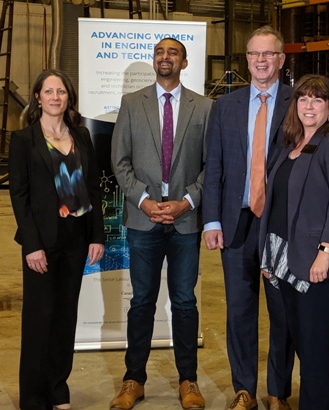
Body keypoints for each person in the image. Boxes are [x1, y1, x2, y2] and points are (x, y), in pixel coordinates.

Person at [109, 38, 213, 410]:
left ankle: (188, 380)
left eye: (172, 53)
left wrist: (187, 201)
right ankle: (133, 380)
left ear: (184, 63)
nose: (164, 57)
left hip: (185, 222)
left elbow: (210, 166)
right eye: (159, 52)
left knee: (185, 303)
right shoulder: (131, 104)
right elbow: (119, 162)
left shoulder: (204, 107)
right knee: (141, 302)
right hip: (143, 219)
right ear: (154, 60)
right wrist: (145, 201)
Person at [202, 26, 295, 410]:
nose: (260, 60)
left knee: (282, 312)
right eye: (254, 54)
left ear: (281, 59)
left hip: (281, 226)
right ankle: (244, 389)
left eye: (268, 54)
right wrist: (211, 221)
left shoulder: (298, 102)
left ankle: (277, 392)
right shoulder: (226, 106)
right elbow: (215, 167)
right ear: (247, 59)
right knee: (239, 311)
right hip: (236, 223)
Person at [259, 74, 329, 410]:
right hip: (287, 260)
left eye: (318, 99)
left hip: (321, 264)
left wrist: (326, 251)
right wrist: (269, 256)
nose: (309, 105)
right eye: (303, 98)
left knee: (316, 355)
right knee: (305, 347)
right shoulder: (292, 143)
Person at [9, 69, 105, 410]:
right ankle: (34, 397)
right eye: (48, 91)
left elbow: (93, 188)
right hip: (42, 242)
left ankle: (57, 389)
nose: (54, 97)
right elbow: (18, 195)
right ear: (37, 97)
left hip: (77, 240)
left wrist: (97, 235)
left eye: (60, 91)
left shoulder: (81, 136)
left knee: (65, 317)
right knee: (39, 318)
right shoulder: (24, 140)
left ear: (68, 97)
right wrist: (32, 245)